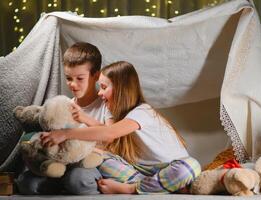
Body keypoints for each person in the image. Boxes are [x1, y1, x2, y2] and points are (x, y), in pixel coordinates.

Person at [40, 61, 201, 194]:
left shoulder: (143, 111)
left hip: (170, 168)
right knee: (98, 156)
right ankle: (164, 188)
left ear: (121, 90)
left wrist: (67, 133)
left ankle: (132, 188)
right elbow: (107, 132)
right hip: (140, 171)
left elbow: (109, 134)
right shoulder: (117, 114)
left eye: (104, 87)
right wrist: (83, 117)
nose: (99, 93)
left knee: (190, 166)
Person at [16, 42, 112, 195]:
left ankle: (65, 184)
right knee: (27, 183)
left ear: (95, 75)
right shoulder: (64, 106)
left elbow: (111, 137)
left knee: (77, 179)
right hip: (61, 162)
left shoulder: (106, 105)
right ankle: (59, 181)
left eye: (80, 78)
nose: (73, 84)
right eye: (69, 78)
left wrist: (80, 123)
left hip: (88, 164)